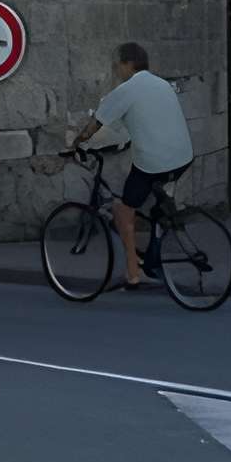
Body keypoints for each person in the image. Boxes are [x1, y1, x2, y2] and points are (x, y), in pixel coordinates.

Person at [68, 41, 196, 289]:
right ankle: (154, 255)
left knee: (122, 210)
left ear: (128, 64)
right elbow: (138, 124)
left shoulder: (126, 90)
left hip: (153, 163)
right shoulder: (162, 85)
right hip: (182, 157)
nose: (116, 70)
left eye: (117, 65)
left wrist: (78, 143)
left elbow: (95, 126)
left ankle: (133, 272)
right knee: (159, 209)